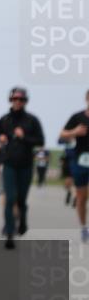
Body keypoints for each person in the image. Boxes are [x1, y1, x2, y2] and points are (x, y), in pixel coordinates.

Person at [0, 87, 45, 250]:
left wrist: (24, 137)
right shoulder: (4, 120)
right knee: (10, 199)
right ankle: (9, 232)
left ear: (25, 101)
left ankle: (23, 222)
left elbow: (40, 141)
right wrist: (1, 140)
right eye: (15, 99)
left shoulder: (32, 120)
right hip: (9, 164)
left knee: (21, 200)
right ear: (10, 100)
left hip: (25, 165)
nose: (17, 102)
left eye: (21, 99)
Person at [60, 89, 89, 243]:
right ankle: (84, 227)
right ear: (87, 98)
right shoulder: (77, 117)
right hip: (80, 161)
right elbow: (62, 134)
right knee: (82, 197)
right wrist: (74, 131)